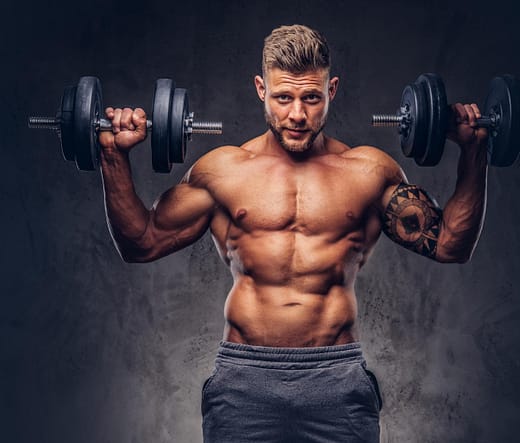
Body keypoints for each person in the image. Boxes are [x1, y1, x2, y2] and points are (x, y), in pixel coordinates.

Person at [98, 24, 487, 443]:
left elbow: (449, 244)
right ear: (261, 88)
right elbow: (141, 242)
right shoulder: (223, 172)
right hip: (244, 381)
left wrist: (475, 150)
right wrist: (112, 155)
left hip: (336, 381)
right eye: (283, 97)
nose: (297, 115)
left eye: (311, 97)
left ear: (332, 89)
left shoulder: (369, 172)